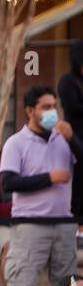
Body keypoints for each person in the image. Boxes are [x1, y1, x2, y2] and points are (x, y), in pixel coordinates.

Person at [0, 86, 82, 286]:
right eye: (45, 107)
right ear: (30, 111)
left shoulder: (63, 140)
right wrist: (49, 178)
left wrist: (72, 139)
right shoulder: (16, 143)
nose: (52, 112)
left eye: (54, 106)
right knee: (17, 284)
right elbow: (8, 183)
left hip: (63, 223)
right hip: (30, 223)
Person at [56, 39, 83, 222]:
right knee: (78, 179)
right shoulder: (68, 81)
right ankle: (77, 218)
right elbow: (71, 107)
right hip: (75, 137)